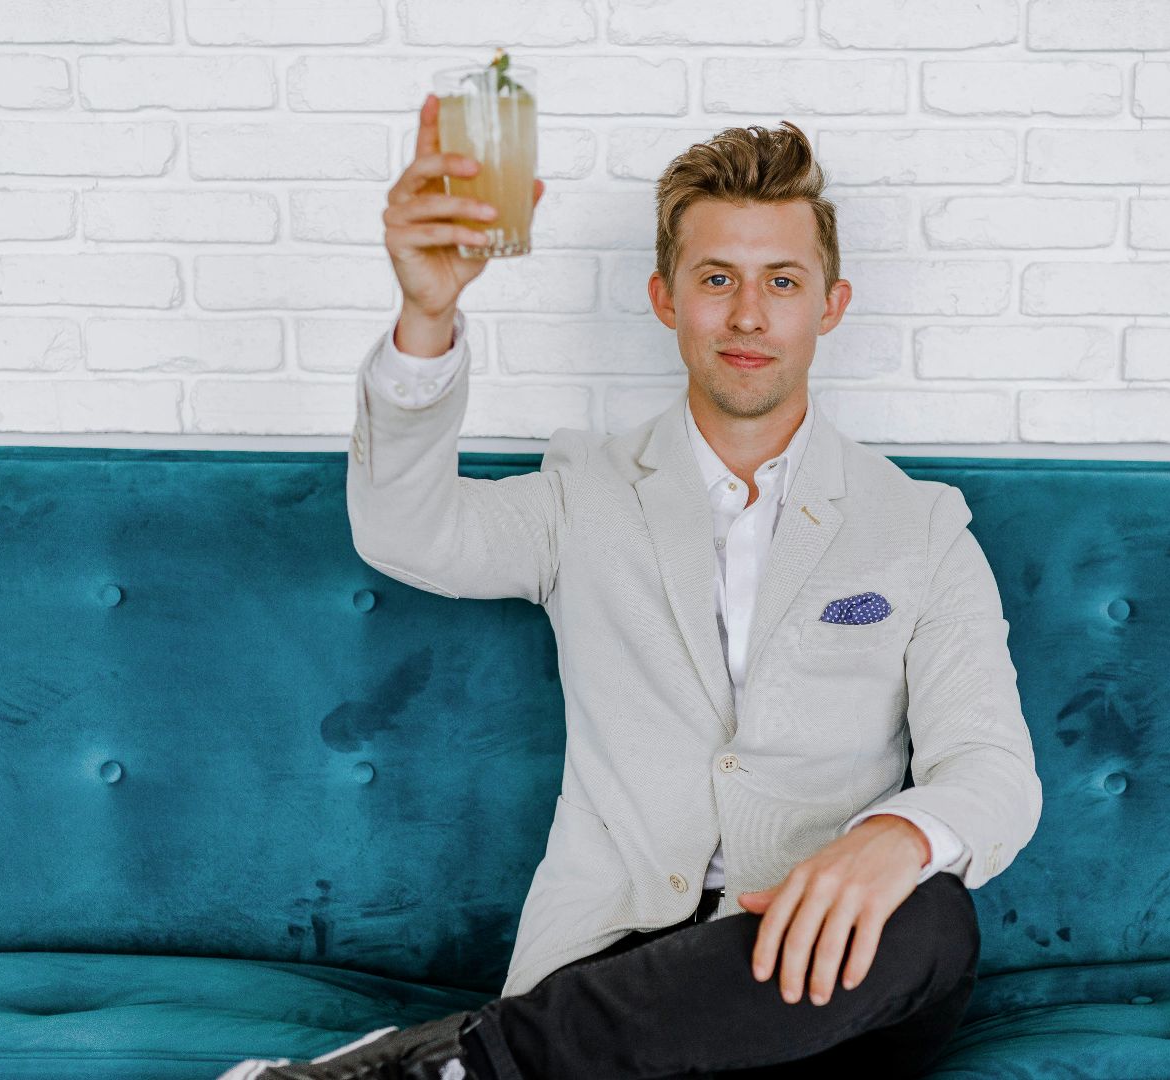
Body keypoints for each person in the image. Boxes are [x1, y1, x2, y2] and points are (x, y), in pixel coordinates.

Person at [220, 94, 1043, 1080]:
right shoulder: (586, 493)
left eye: (782, 280)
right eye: (716, 279)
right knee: (651, 1014)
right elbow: (408, 529)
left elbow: (994, 773)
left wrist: (894, 840)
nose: (747, 314)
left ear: (831, 305)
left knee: (934, 909)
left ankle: (449, 1069)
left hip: (824, 976)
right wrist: (427, 316)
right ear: (665, 297)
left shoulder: (919, 525)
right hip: (615, 964)